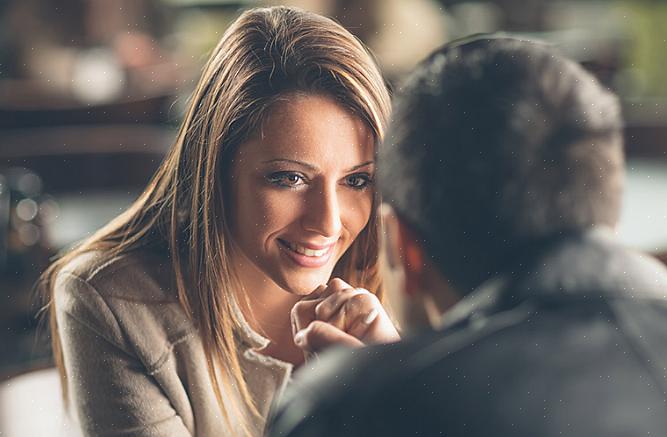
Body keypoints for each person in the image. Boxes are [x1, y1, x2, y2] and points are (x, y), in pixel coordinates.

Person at [268, 36, 667, 436]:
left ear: (401, 245)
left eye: (358, 182)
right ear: (605, 209)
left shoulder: (348, 410)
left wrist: (381, 386)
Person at [39, 6, 400, 436]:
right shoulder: (111, 303)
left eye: (356, 180)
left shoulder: (403, 277)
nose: (327, 222)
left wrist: (400, 382)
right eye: (289, 178)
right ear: (216, 169)